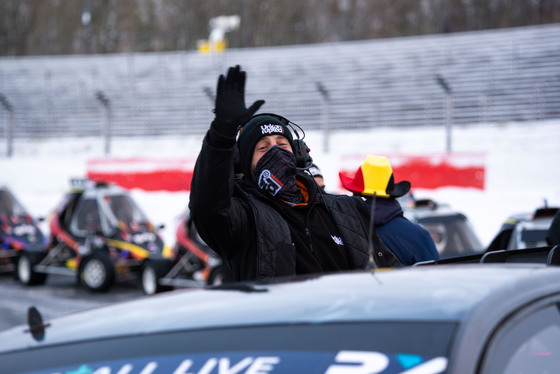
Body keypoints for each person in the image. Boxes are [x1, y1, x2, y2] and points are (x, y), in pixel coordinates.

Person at [189, 65, 401, 282]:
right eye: (263, 148)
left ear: (297, 154)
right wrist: (222, 134)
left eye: (282, 144)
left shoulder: (348, 209)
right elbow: (207, 206)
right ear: (243, 164)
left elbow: (388, 271)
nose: (275, 151)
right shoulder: (244, 217)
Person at [339, 155, 439, 265]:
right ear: (392, 194)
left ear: (355, 193)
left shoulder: (337, 229)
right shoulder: (419, 235)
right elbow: (435, 278)